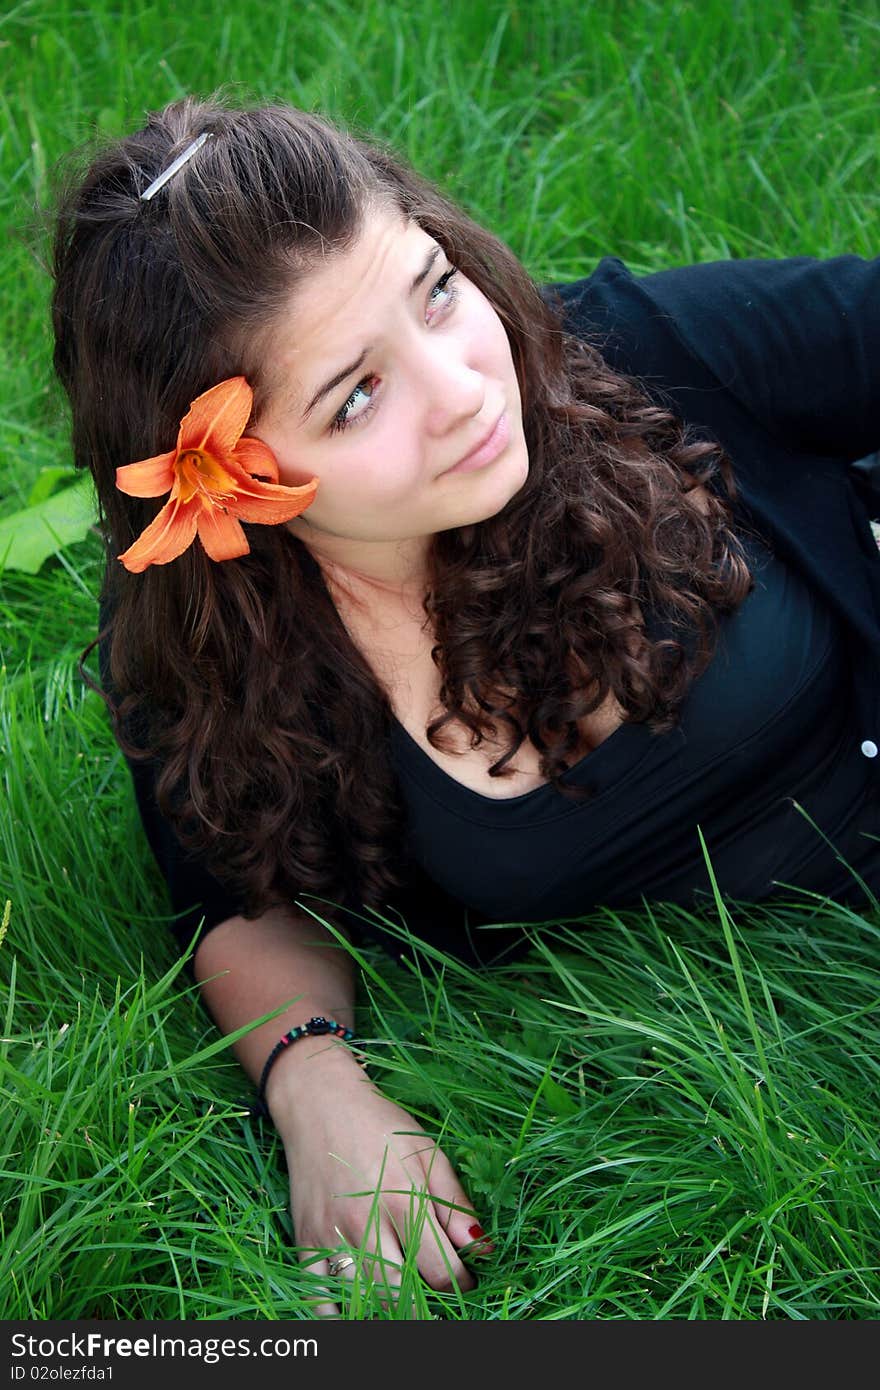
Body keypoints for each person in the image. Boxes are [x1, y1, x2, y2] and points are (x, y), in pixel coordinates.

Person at [51, 94, 880, 1311]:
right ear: (231, 481)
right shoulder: (218, 656)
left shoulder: (631, 349)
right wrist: (312, 1085)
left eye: (435, 289)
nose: (464, 387)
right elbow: (230, 891)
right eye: (355, 397)